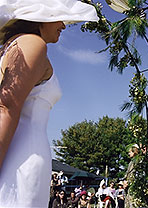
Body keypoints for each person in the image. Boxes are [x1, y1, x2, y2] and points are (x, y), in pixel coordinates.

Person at [0, 1, 99, 206]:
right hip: (23, 156)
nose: (63, 25)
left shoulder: (10, 46)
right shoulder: (32, 43)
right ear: (41, 15)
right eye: (59, 18)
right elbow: (6, 107)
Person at [123, 144, 140, 208]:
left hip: (133, 188)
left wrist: (129, 182)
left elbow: (137, 175)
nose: (129, 153)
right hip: (128, 188)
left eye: (130, 152)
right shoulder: (131, 162)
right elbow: (127, 174)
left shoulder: (138, 161)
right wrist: (124, 181)